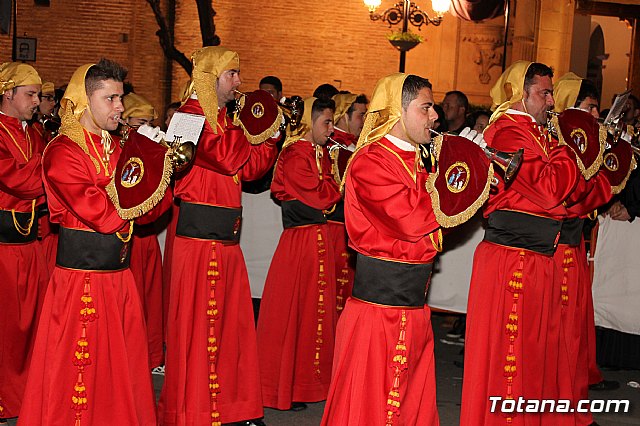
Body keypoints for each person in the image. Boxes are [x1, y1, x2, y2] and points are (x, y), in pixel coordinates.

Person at [19, 58, 171, 425]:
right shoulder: (62, 151)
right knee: (76, 369)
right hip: (80, 280)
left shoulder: (117, 148)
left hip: (119, 276)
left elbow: (151, 213)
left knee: (119, 368)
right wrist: (137, 181)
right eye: (112, 98)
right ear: (85, 102)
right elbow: (102, 213)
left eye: (121, 98)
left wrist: (158, 165)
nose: (120, 107)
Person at [159, 46, 278, 426]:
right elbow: (225, 157)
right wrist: (251, 125)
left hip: (226, 241)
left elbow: (253, 169)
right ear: (211, 78)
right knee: (198, 332)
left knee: (231, 331)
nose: (240, 83)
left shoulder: (225, 121)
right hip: (197, 243)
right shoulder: (186, 119)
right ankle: (193, 410)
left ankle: (234, 407)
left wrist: (271, 135)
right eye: (232, 75)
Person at [460, 61, 582, 425]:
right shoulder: (508, 133)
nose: (551, 101)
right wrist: (566, 150)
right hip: (513, 257)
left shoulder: (537, 133)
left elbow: (571, 193)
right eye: (544, 93)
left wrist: (561, 157)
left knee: (532, 353)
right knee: (509, 357)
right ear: (520, 92)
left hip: (537, 256)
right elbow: (549, 191)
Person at [321, 73, 442, 425]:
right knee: (368, 407)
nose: (434, 117)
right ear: (397, 111)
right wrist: (456, 183)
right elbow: (410, 221)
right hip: (378, 314)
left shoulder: (420, 160)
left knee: (409, 406)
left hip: (413, 307)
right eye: (426, 107)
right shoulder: (370, 161)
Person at [257, 97, 341, 411]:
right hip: (300, 242)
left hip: (316, 240)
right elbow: (321, 195)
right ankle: (281, 387)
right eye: (326, 123)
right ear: (309, 121)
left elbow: (327, 189)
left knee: (311, 315)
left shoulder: (317, 153)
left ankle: (305, 384)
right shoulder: (295, 154)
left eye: (332, 122)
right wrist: (335, 186)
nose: (331, 129)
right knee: (291, 314)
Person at [552, 72, 614, 426]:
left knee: (573, 331)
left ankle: (573, 404)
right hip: (559, 248)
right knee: (563, 333)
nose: (594, 115)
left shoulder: (578, 142)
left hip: (571, 246)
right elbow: (573, 196)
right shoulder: (565, 142)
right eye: (590, 108)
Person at [0, 62, 48, 424]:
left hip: (31, 244)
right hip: (3, 248)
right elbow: (20, 181)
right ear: (8, 93)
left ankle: (28, 397)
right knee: (7, 329)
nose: (37, 102)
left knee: (32, 326)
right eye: (30, 95)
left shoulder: (35, 133)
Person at [121, 92, 166, 372]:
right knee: (134, 299)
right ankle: (131, 356)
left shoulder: (148, 147)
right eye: (140, 123)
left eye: (150, 123)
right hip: (130, 237)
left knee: (151, 297)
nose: (146, 128)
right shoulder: (121, 148)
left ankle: (151, 357)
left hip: (148, 234)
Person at [326, 93, 367, 314]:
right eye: (361, 115)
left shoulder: (355, 147)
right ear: (344, 116)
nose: (364, 120)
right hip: (336, 229)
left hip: (349, 231)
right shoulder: (335, 147)